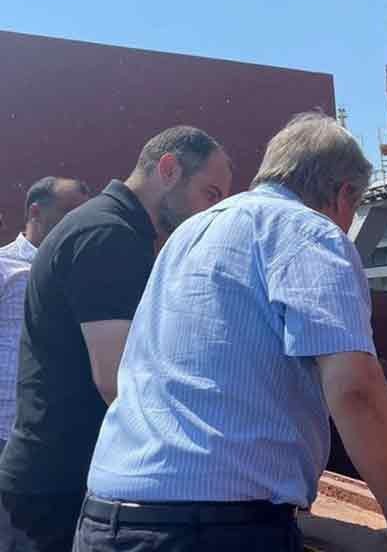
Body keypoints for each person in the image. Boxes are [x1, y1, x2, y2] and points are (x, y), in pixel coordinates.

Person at [74, 113, 387, 551]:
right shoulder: (310, 232)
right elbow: (354, 389)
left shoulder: (188, 234)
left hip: (106, 519)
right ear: (344, 194)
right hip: (210, 531)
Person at [0, 127, 233, 552]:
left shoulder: (113, 229)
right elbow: (120, 381)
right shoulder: (109, 234)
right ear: (168, 169)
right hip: (58, 492)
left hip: (56, 479)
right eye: (210, 194)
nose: (210, 212)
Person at [0, 177, 91, 551]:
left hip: (53, 447)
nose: (77, 223)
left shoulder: (83, 275)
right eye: (68, 213)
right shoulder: (6, 267)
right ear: (35, 211)